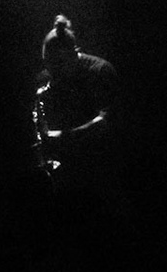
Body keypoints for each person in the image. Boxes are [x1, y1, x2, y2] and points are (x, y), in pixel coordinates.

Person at [34, 15, 120, 198]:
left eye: (58, 64)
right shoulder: (46, 77)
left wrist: (62, 137)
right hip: (66, 172)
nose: (51, 71)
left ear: (75, 53)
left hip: (101, 170)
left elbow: (107, 123)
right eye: (47, 63)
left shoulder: (100, 71)